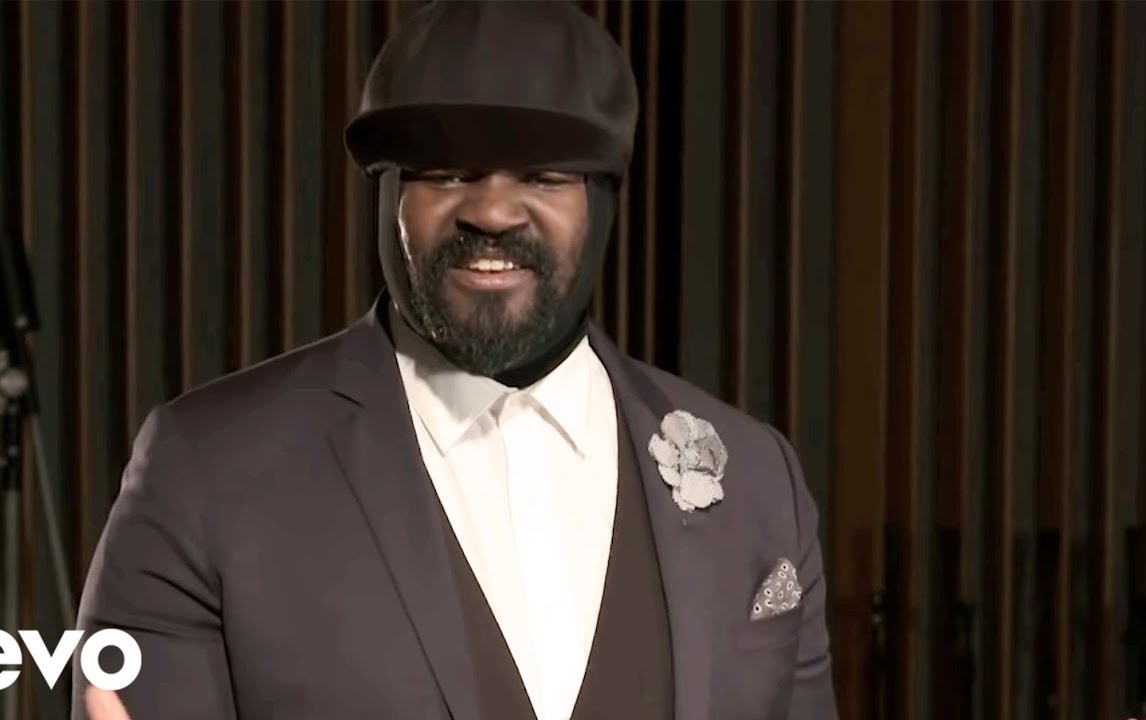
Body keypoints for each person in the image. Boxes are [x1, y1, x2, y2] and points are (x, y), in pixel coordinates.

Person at [73, 2, 836, 719]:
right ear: (387, 194)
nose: (492, 212)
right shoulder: (206, 473)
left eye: (544, 174)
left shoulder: (760, 483)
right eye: (445, 172)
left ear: (603, 199)